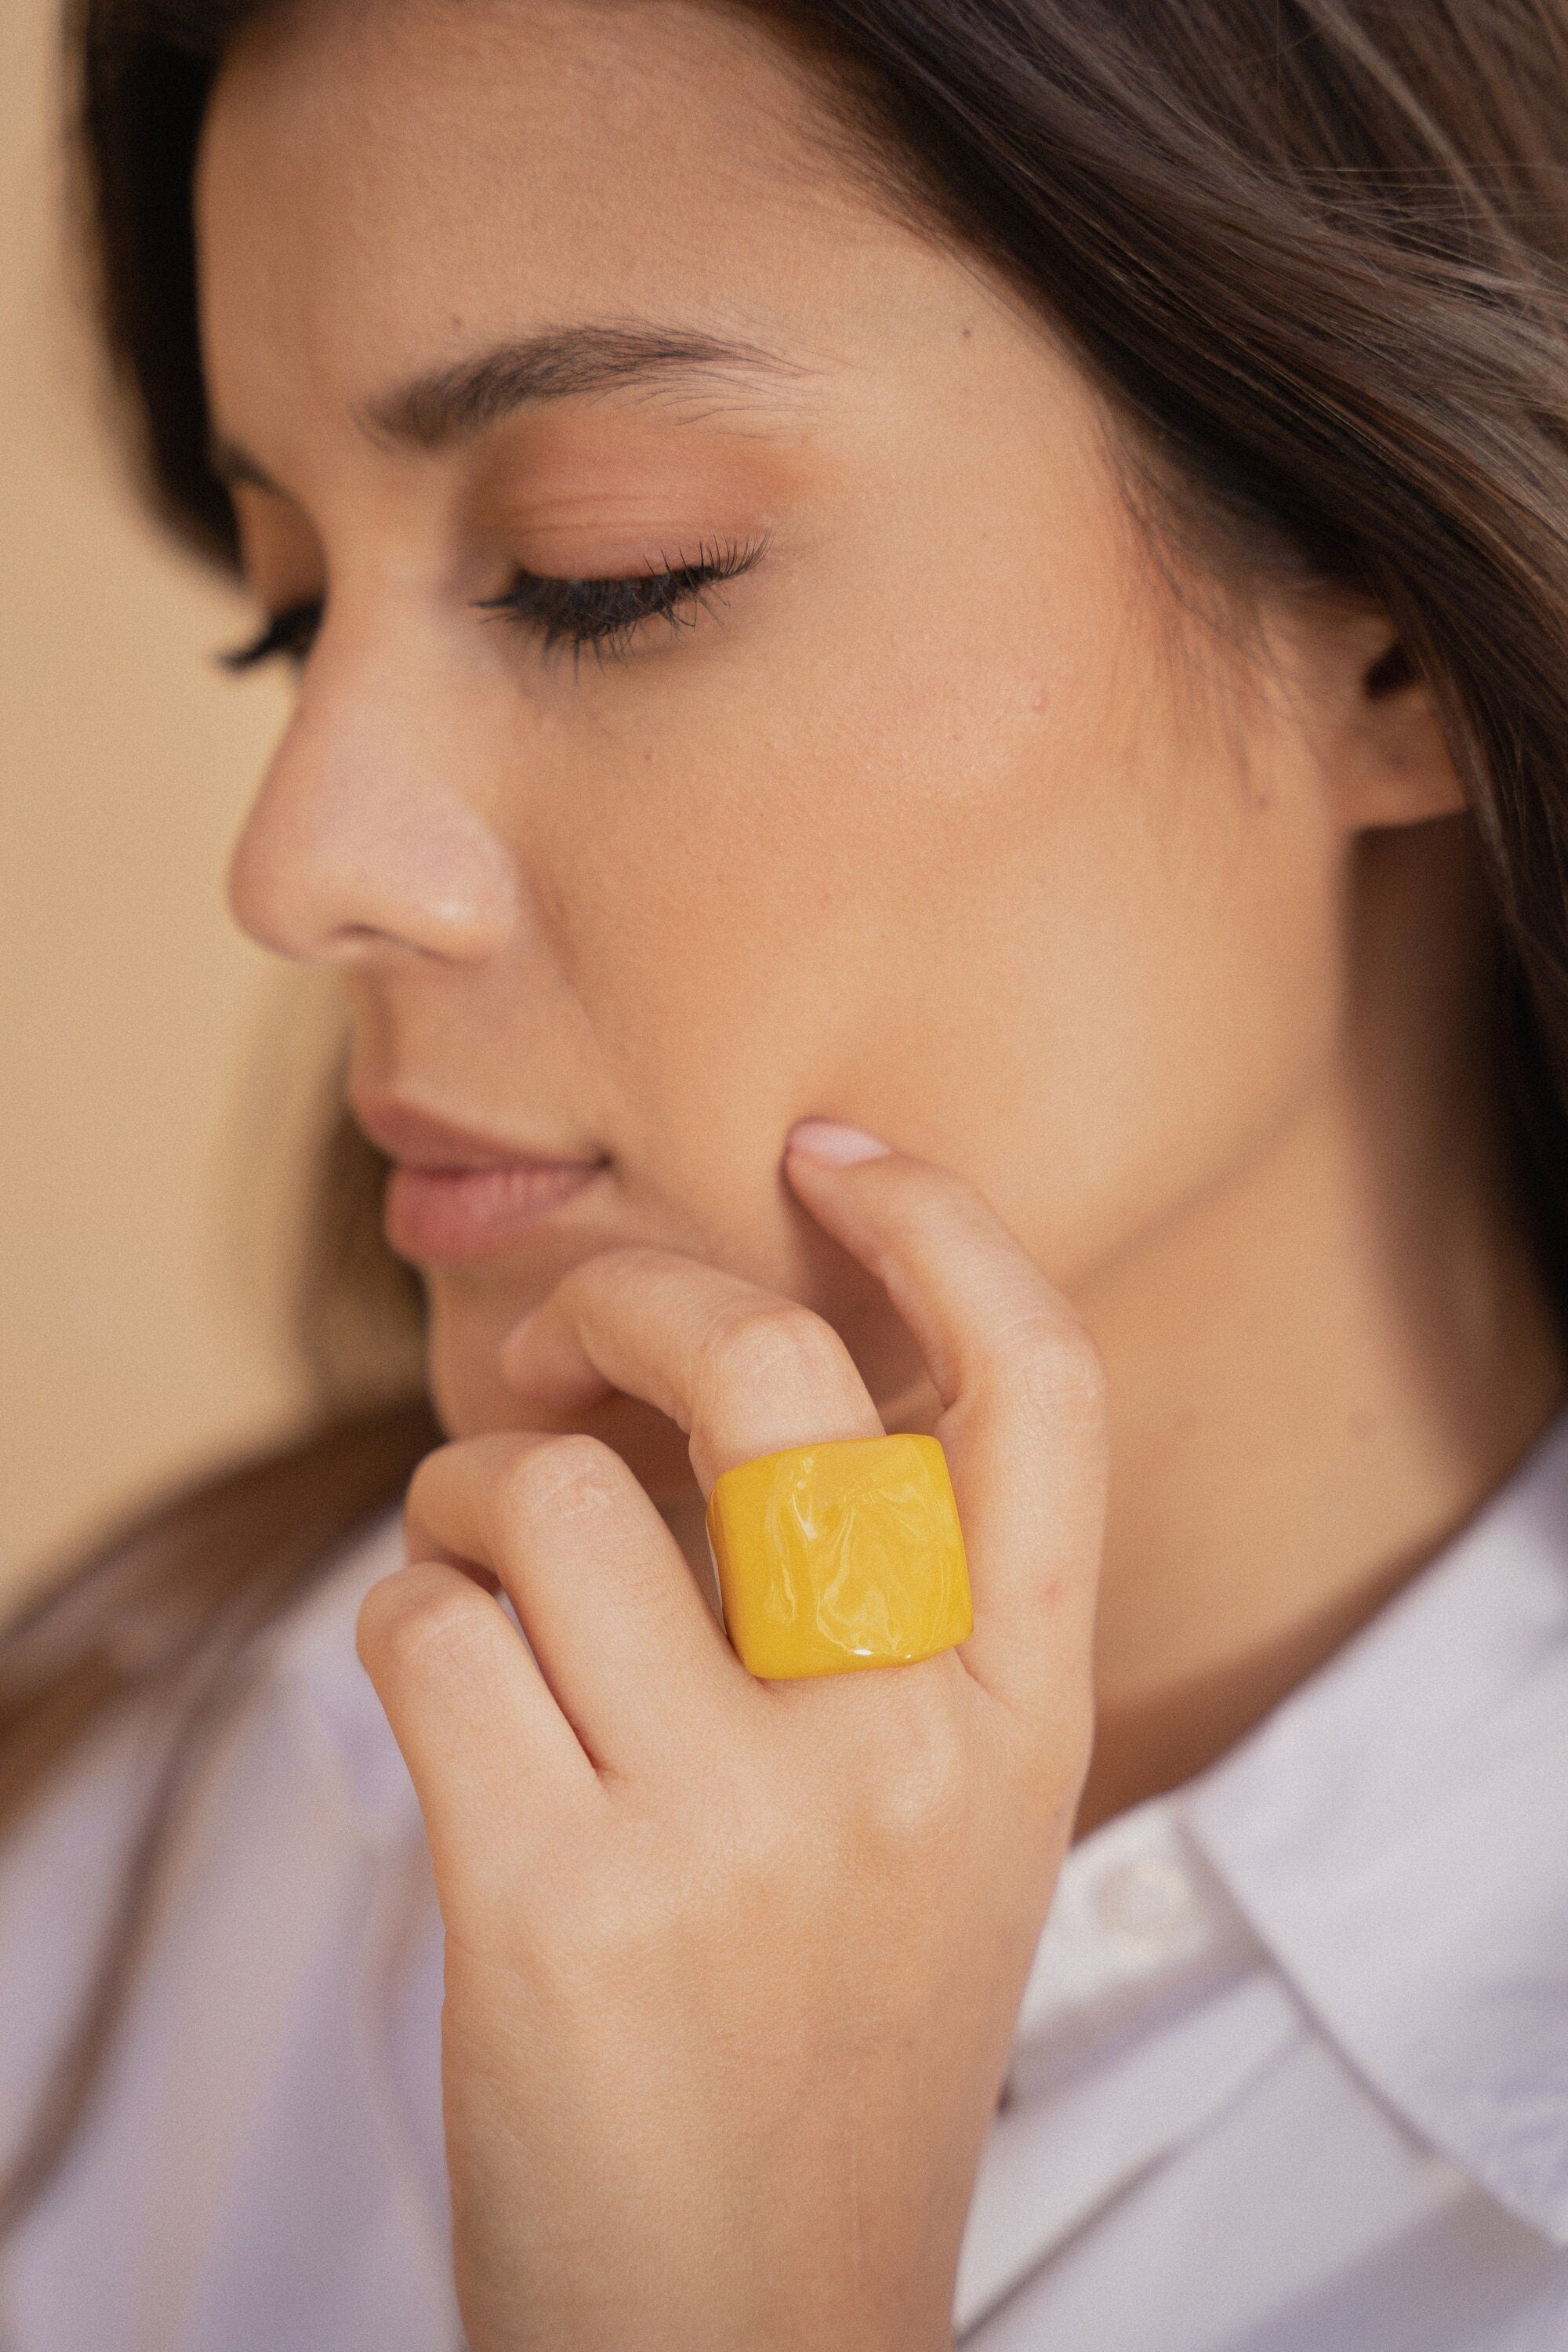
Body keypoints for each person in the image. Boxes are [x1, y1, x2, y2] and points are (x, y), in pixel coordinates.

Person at [5, 0, 1568, 2342]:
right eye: (292, 605)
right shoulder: (138, 1809)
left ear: (1386, 623)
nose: (304, 859)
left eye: (602, 573)